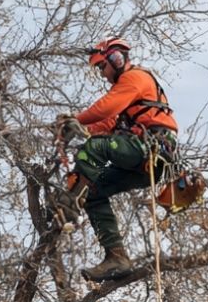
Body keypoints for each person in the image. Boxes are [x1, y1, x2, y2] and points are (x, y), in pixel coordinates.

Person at [56, 37, 177, 281]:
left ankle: (69, 202)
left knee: (94, 148)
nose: (102, 74)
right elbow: (106, 123)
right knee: (94, 192)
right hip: (140, 157)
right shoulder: (125, 93)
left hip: (152, 148)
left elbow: (106, 108)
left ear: (115, 58)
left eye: (102, 66)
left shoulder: (135, 78)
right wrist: (70, 128)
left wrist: (78, 119)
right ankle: (116, 257)